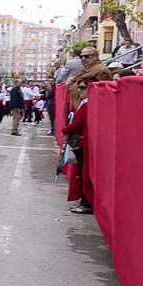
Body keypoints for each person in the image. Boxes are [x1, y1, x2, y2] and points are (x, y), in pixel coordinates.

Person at [62, 79, 93, 215]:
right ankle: (84, 201)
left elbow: (78, 122)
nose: (80, 90)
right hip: (81, 142)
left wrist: (65, 130)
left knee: (83, 173)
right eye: (79, 88)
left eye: (83, 88)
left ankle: (86, 203)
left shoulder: (87, 105)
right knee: (81, 173)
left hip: (82, 142)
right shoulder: (84, 103)